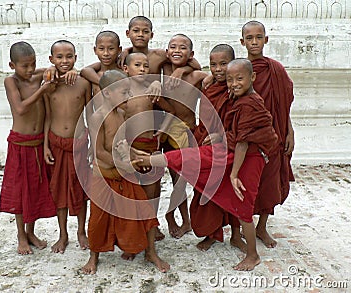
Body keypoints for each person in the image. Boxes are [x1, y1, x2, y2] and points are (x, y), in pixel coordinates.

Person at [119, 58, 278, 270]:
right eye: (230, 80)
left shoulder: (251, 102)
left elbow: (243, 141)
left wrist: (233, 173)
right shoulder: (234, 95)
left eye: (239, 79)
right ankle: (149, 159)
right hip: (233, 151)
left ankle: (252, 255)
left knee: (244, 206)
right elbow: (236, 132)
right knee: (193, 157)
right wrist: (221, 137)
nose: (233, 83)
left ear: (253, 78)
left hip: (248, 158)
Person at [82, 69, 170, 274]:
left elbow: (123, 144)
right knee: (97, 219)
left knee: (144, 212)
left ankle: (151, 252)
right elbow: (99, 152)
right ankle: (93, 257)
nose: (129, 97)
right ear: (107, 93)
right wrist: (121, 164)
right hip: (104, 175)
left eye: (129, 92)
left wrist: (136, 155)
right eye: (124, 92)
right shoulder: (97, 117)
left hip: (124, 174)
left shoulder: (121, 114)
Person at [240, 20, 295, 248]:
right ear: (242, 41)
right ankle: (243, 225)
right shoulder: (239, 69)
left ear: (266, 39)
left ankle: (261, 226)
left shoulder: (276, 70)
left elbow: (284, 105)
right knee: (247, 182)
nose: (254, 42)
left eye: (258, 37)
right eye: (250, 38)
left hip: (275, 135)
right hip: (248, 136)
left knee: (270, 181)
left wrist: (289, 131)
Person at [0, 41, 57, 255]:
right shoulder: (11, 81)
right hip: (20, 143)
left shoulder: (38, 75)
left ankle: (31, 231)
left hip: (38, 142)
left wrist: (50, 70)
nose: (30, 70)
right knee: (20, 190)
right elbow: (21, 108)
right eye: (24, 66)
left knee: (36, 188)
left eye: (33, 64)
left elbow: (53, 69)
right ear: (12, 65)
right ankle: (21, 236)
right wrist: (43, 89)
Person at [190, 44, 246, 252]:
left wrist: (221, 136)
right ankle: (213, 233)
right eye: (213, 65)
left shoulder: (237, 90)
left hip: (228, 147)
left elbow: (241, 123)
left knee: (231, 191)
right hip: (204, 144)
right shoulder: (209, 86)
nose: (218, 69)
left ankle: (235, 232)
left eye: (223, 64)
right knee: (205, 191)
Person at [43, 40, 92, 253]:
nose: (65, 61)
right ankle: (63, 234)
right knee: (59, 191)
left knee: (80, 190)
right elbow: (46, 117)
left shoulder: (83, 83)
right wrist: (45, 145)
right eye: (60, 57)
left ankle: (82, 231)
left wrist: (92, 144)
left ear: (75, 58)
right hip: (55, 144)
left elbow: (90, 114)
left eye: (69, 56)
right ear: (51, 60)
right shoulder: (47, 84)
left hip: (79, 143)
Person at [123, 52, 176, 241]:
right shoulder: (122, 93)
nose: (143, 70)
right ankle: (134, 232)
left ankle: (152, 227)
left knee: (152, 190)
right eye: (137, 65)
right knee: (131, 191)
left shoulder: (151, 90)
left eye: (146, 66)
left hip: (150, 147)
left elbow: (171, 111)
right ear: (126, 69)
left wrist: (162, 130)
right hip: (130, 148)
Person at [161, 34, 208, 239]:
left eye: (183, 48)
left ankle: (179, 217)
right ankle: (181, 219)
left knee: (189, 180)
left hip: (189, 133)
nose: (177, 50)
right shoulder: (162, 71)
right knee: (176, 179)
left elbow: (207, 73)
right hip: (166, 133)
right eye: (172, 47)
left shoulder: (196, 77)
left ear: (191, 54)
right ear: (166, 51)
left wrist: (183, 69)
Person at [80, 31, 122, 108]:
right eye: (101, 49)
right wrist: (103, 83)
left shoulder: (123, 74)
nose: (106, 53)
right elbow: (84, 71)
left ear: (119, 50)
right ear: (95, 50)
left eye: (111, 49)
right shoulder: (93, 76)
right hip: (99, 119)